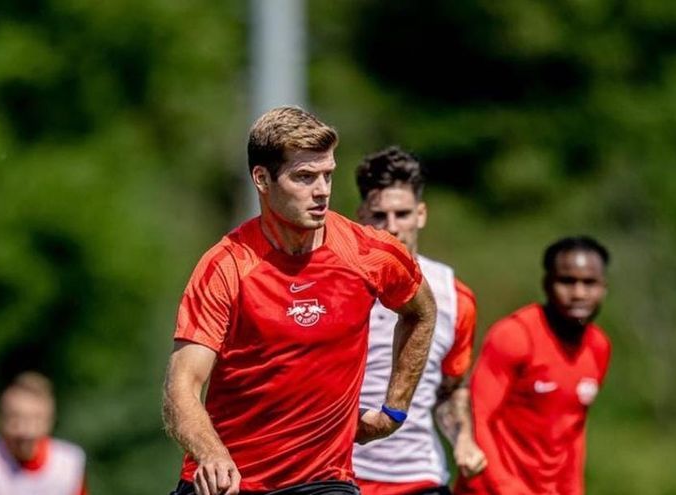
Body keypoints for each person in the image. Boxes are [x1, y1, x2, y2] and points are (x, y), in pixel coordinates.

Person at [162, 106, 437, 495]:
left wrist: (394, 409)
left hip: (323, 481)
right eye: (305, 177)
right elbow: (182, 386)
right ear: (262, 179)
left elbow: (421, 312)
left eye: (327, 175)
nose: (322, 190)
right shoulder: (225, 267)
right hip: (227, 481)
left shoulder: (370, 253)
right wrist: (211, 455)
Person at [352, 146, 486, 495]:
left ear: (421, 214)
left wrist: (464, 440)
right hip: (341, 476)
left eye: (403, 214)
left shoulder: (454, 296)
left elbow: (450, 388)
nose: (392, 228)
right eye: (380, 215)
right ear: (361, 215)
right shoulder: (336, 286)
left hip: (420, 478)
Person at [454, 236, 612, 495]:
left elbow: (573, 432)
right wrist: (506, 487)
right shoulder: (515, 335)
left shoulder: (599, 347)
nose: (579, 293)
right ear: (547, 284)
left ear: (603, 287)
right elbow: (477, 418)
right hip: (491, 489)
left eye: (589, 283)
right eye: (567, 281)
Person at [0, 371, 87, 495]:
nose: (25, 431)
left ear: (50, 421)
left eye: (35, 420)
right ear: (0, 419)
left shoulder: (69, 462)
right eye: (15, 420)